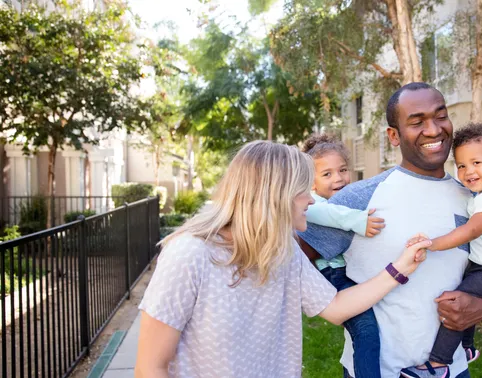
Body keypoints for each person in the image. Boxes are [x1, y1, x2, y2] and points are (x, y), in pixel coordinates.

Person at [134, 141, 431, 378]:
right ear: (275, 194)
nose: (312, 200)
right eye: (303, 190)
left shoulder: (283, 252)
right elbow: (150, 368)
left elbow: (336, 307)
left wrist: (400, 267)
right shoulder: (189, 255)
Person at [298, 83, 482, 378]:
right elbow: (293, 257)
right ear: (394, 136)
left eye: (441, 116)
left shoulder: (476, 201)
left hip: (452, 369)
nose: (433, 129)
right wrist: (333, 306)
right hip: (380, 370)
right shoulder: (358, 200)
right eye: (417, 122)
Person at [400, 123, 482, 378]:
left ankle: (438, 365)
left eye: (477, 162)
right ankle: (467, 348)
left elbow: (471, 230)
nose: (469, 171)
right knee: (464, 295)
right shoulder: (481, 195)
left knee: (456, 303)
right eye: (462, 165)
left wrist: (432, 244)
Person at [302, 134, 386, 378]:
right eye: (327, 174)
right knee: (366, 330)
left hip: (348, 273)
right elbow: (326, 214)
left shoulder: (341, 201)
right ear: (312, 182)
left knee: (370, 329)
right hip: (333, 277)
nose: (338, 178)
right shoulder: (312, 203)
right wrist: (359, 221)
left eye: (342, 170)